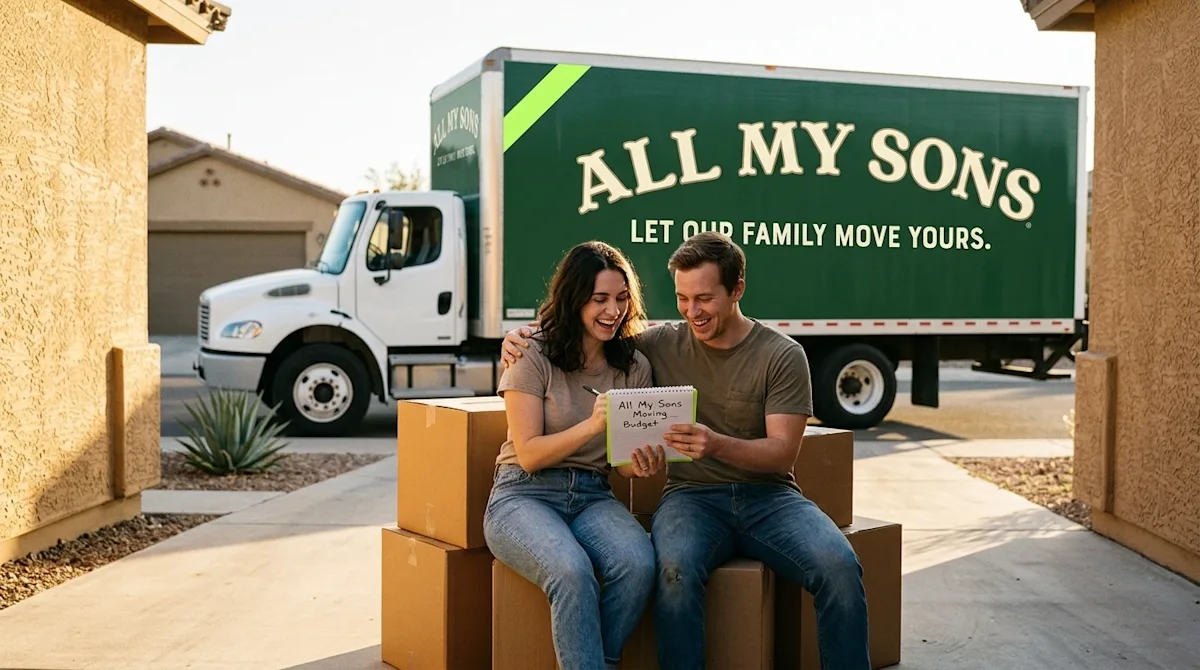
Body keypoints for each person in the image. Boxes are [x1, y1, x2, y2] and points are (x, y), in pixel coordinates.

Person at [501, 232, 871, 670]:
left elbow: (781, 456)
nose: (693, 312)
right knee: (669, 571)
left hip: (770, 497)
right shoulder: (656, 345)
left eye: (705, 299)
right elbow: (587, 336)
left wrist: (708, 445)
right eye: (682, 298)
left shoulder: (781, 355)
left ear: (737, 290)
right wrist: (516, 336)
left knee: (840, 566)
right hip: (689, 498)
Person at [484, 240, 668, 670]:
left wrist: (641, 463)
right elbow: (528, 454)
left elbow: (619, 461)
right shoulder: (531, 352)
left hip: (592, 494)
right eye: (599, 299)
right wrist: (592, 424)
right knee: (570, 572)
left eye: (622, 299)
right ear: (574, 299)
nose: (613, 310)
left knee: (639, 564)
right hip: (523, 496)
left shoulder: (633, 366)